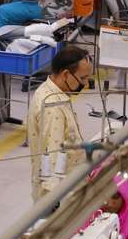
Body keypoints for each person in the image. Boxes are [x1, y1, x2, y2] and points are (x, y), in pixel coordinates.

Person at [27, 45, 90, 200]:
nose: (86, 84)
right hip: (61, 198)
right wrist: (54, 206)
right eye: (82, 78)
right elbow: (52, 161)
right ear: (66, 74)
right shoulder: (52, 107)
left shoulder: (50, 91)